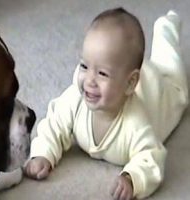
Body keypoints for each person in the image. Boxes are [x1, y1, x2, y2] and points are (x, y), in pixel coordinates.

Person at [24, 8, 188, 200]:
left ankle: (165, 30)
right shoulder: (75, 99)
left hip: (158, 91)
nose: (89, 80)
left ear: (129, 83)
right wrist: (43, 154)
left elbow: (151, 157)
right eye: (84, 66)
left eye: (102, 73)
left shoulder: (136, 123)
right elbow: (54, 124)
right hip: (137, 80)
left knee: (172, 72)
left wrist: (132, 178)